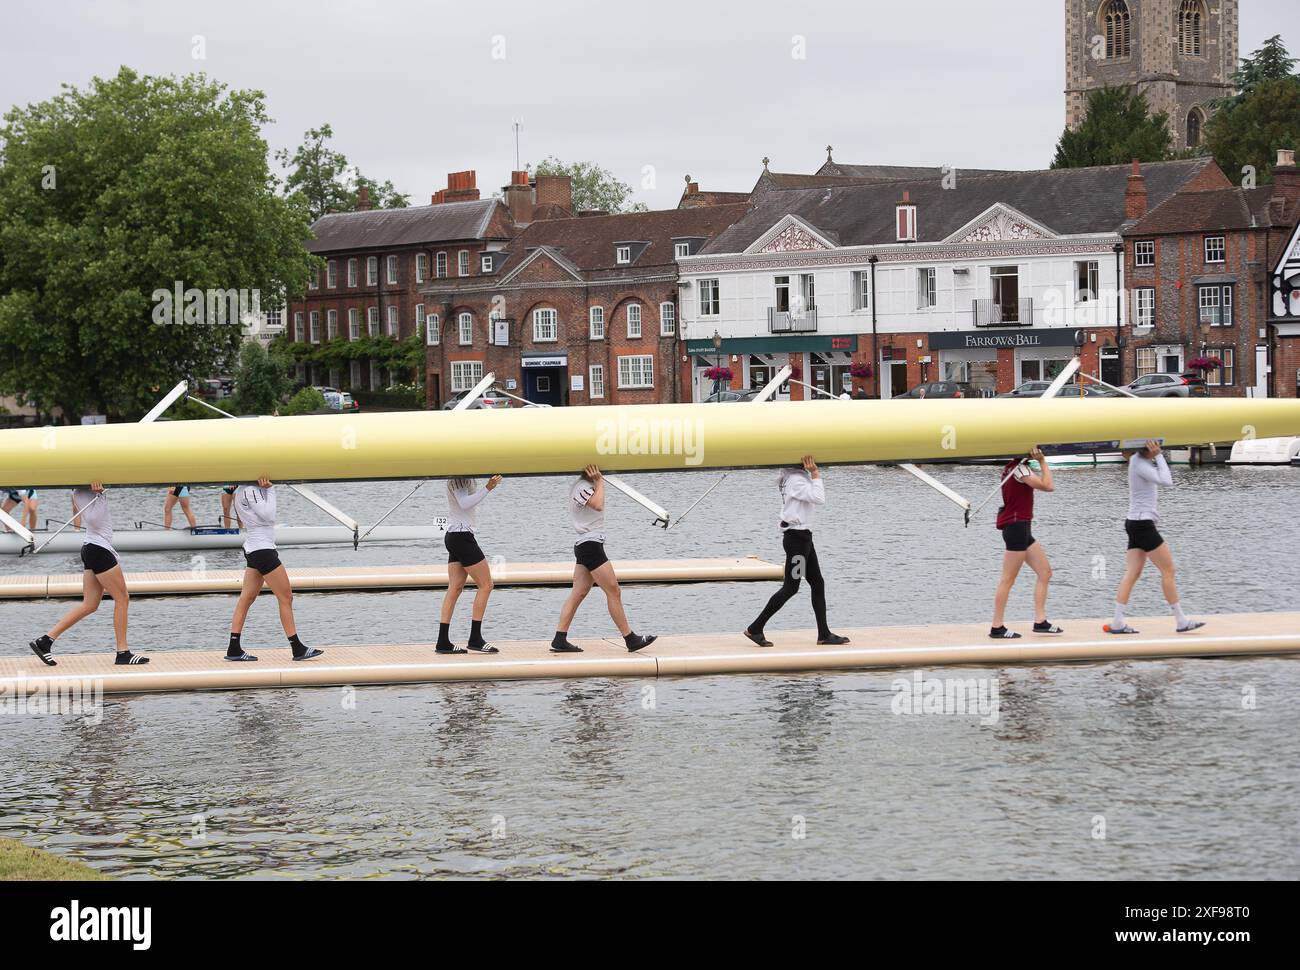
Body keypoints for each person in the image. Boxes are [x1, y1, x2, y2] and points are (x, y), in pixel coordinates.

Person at [28, 483, 149, 667]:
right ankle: (122, 652)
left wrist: (100, 494)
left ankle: (45, 641)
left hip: (92, 547)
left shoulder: (83, 490)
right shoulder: (82, 491)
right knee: (122, 598)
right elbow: (93, 520)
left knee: (90, 605)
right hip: (98, 549)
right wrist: (100, 495)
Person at [743, 455, 850, 648]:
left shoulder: (791, 475)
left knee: (818, 583)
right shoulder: (797, 480)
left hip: (803, 538)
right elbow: (819, 498)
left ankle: (824, 634)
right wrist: (815, 473)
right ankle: (755, 628)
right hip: (798, 541)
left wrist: (810, 473)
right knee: (791, 587)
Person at [550, 465, 656, 654]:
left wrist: (598, 482)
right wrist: (599, 481)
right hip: (590, 545)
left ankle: (559, 638)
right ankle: (630, 638)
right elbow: (598, 504)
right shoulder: (582, 486)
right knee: (613, 590)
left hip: (587, 544)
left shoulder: (585, 485)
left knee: (578, 593)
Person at [1105, 440, 1205, 635]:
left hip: (1134, 522)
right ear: (1149, 448)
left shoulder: (1136, 460)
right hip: (1142, 525)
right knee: (1168, 570)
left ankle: (1117, 622)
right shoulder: (1140, 463)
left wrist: (1155, 455)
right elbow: (1167, 481)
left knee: (1132, 573)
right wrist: (1159, 456)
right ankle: (1181, 620)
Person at [225, 478, 322, 663]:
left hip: (256, 548)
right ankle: (297, 648)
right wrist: (270, 489)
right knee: (286, 597)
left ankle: (233, 648)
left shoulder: (246, 490)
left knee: (247, 598)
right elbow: (269, 516)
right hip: (262, 550)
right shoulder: (250, 490)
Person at [990, 447, 1063, 639]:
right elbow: (1048, 486)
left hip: (1022, 528)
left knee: (1045, 572)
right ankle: (997, 627)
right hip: (1016, 528)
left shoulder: (1013, 468)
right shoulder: (1020, 470)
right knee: (1007, 579)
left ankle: (1040, 622)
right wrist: (1043, 461)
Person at [436, 475, 503, 655]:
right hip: (461, 536)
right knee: (486, 585)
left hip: (456, 535)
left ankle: (442, 641)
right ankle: (475, 638)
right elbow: (464, 503)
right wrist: (488, 487)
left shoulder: (465, 477)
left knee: (455, 587)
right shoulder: (458, 479)